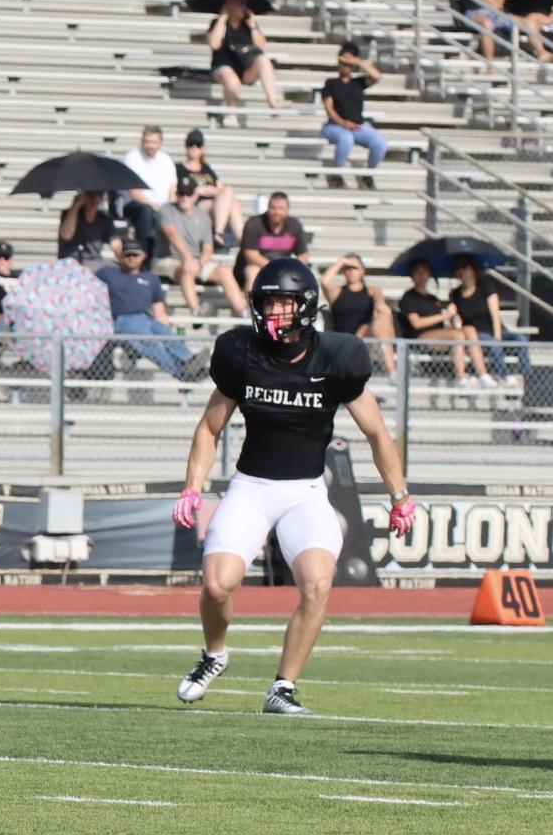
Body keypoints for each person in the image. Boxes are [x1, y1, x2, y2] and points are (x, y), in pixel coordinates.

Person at [173, 259, 415, 716]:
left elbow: (378, 433)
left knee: (318, 583)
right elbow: (209, 428)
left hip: (305, 492)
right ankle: (215, 653)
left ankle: (282, 687)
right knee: (217, 586)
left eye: (282, 303)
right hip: (250, 489)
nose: (272, 313)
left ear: (304, 307)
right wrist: (193, 488)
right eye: (266, 303)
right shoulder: (241, 353)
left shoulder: (337, 358)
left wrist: (399, 496)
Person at [95, 236, 195, 379]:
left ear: (143, 256)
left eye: (134, 254)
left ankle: (190, 361)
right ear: (120, 256)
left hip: (147, 319)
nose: (131, 258)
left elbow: (159, 310)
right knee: (154, 344)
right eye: (127, 254)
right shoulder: (107, 273)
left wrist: (164, 324)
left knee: (167, 335)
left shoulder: (151, 278)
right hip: (124, 320)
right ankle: (183, 374)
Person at [160, 175, 247, 316]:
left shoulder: (202, 216)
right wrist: (188, 258)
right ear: (176, 195)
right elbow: (172, 234)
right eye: (181, 193)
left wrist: (200, 263)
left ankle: (243, 311)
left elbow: (208, 247)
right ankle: (196, 311)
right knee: (186, 269)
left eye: (189, 193)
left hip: (195, 260)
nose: (185, 197)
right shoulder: (166, 210)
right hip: (168, 258)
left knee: (225, 271)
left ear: (195, 195)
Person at [397, 258, 487, 387]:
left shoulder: (433, 299)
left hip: (441, 335)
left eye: (425, 272)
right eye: (418, 272)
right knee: (457, 336)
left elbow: (445, 324)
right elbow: (416, 323)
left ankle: (483, 374)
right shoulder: (409, 297)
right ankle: (461, 377)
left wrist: (452, 318)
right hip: (421, 337)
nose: (422, 276)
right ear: (412, 275)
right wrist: (444, 316)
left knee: (469, 330)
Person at [449, 255, 532, 382]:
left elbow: (495, 314)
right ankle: (505, 376)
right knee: (492, 342)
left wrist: (498, 335)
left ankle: (528, 375)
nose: (461, 270)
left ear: (473, 270)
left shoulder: (486, 287)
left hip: (494, 329)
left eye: (465, 266)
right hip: (476, 333)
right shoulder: (455, 294)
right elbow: (456, 319)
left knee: (520, 339)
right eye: (457, 268)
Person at [321, 254, 397, 376]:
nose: (351, 271)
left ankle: (391, 370)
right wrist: (341, 261)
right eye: (347, 267)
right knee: (383, 318)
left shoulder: (373, 290)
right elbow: (325, 281)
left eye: (354, 267)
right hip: (345, 341)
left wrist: (380, 307)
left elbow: (380, 304)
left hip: (367, 339)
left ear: (362, 270)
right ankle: (391, 369)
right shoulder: (337, 292)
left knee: (384, 315)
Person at [320, 46, 387, 176]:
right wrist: (343, 123)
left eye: (348, 63)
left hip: (357, 126)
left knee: (380, 143)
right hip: (335, 126)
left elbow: (377, 76)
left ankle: (369, 174)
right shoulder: (331, 83)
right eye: (343, 62)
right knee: (346, 138)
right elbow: (329, 108)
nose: (345, 65)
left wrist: (358, 62)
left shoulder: (358, 83)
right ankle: (336, 173)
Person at [207, 0, 278, 114]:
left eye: (245, 4)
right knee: (232, 81)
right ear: (230, 4)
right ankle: (231, 112)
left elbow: (261, 46)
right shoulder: (218, 23)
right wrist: (222, 18)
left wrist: (253, 26)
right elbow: (214, 44)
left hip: (245, 67)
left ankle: (273, 104)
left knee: (263, 60)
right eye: (240, 3)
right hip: (223, 66)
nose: (244, 7)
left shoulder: (248, 25)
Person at [118, 126, 178, 252]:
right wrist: (156, 207)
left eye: (153, 142)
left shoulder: (166, 160)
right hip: (135, 205)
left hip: (162, 207)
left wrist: (170, 207)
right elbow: (134, 192)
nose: (150, 145)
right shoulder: (132, 157)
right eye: (147, 141)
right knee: (146, 210)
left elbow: (173, 189)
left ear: (160, 143)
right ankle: (144, 253)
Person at [180, 129, 245, 246]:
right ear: (186, 146)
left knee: (233, 201)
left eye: (198, 144)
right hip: (195, 206)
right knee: (230, 200)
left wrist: (210, 190)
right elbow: (178, 192)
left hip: (214, 207)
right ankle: (220, 234)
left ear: (202, 148)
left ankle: (242, 242)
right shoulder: (179, 169)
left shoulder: (207, 169)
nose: (194, 147)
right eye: (191, 144)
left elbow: (221, 188)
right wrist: (197, 191)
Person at [238, 193, 310, 292]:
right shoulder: (254, 223)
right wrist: (276, 268)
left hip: (283, 270)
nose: (277, 212)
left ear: (287, 210)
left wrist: (291, 268)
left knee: (306, 274)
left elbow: (303, 255)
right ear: (268, 208)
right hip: (256, 267)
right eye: (273, 208)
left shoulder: (295, 225)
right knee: (252, 272)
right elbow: (251, 255)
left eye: (281, 208)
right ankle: (252, 306)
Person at [57, 190, 116, 263]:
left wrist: (119, 251)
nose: (94, 199)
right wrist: (75, 206)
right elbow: (66, 235)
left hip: (94, 263)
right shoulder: (69, 214)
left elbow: (115, 241)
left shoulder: (104, 219)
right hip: (70, 262)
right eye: (90, 195)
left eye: (99, 195)